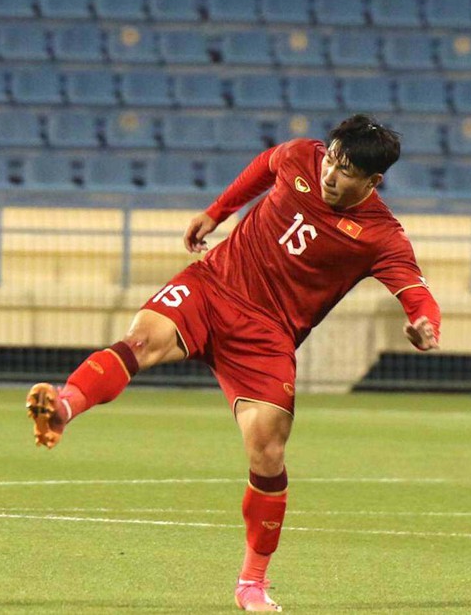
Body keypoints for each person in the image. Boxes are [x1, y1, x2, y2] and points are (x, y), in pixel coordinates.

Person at [26, 115, 441, 612]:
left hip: (266, 337)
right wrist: (217, 211)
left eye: (346, 170)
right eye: (331, 158)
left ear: (373, 182)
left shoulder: (381, 234)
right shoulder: (298, 157)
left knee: (267, 450)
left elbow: (415, 290)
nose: (330, 173)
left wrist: (423, 323)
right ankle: (64, 406)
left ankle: (252, 583)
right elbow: (264, 166)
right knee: (141, 339)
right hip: (212, 285)